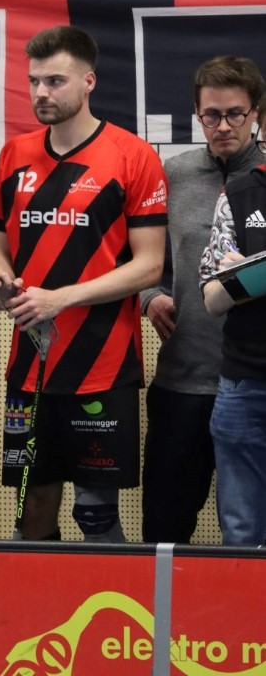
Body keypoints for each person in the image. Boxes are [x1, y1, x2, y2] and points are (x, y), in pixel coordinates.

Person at [0, 26, 167, 542]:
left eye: (55, 81)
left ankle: (112, 599)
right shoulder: (14, 155)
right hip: (30, 368)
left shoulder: (132, 156)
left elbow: (150, 266)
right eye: (34, 81)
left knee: (95, 515)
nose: (41, 92)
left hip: (103, 365)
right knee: (31, 511)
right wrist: (0, 279)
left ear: (88, 81)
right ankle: (32, 599)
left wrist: (61, 298)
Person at [141, 56, 265, 543]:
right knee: (164, 529)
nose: (223, 126)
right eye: (211, 115)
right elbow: (144, 259)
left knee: (247, 530)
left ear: (255, 114)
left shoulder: (262, 183)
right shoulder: (172, 174)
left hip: (253, 381)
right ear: (197, 114)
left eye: (235, 113)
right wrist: (150, 297)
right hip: (183, 381)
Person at [199, 92, 266, 545]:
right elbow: (212, 298)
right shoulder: (240, 194)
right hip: (245, 384)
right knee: (241, 532)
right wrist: (250, 275)